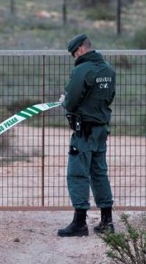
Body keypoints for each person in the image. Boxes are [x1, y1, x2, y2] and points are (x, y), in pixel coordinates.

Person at [57, 34, 116, 237]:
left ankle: (80, 223)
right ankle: (107, 221)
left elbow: (72, 100)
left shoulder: (82, 70)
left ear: (81, 49)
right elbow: (109, 97)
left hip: (84, 132)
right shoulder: (108, 70)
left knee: (77, 174)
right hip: (101, 129)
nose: (74, 56)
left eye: (74, 53)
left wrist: (65, 101)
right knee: (99, 173)